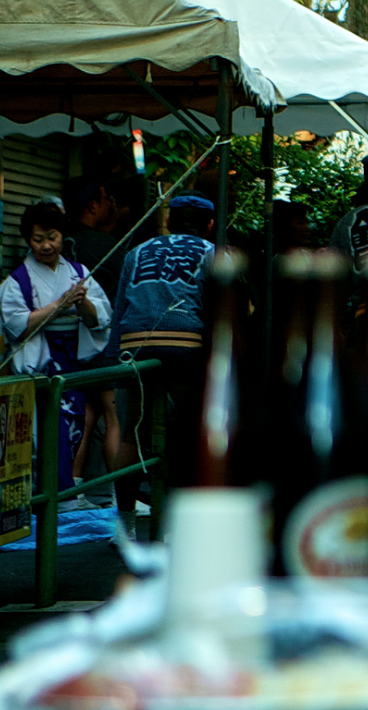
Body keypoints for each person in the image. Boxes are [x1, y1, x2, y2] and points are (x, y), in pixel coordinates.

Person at [107, 193, 217, 538]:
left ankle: (123, 526)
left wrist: (114, 360)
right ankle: (174, 525)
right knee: (186, 432)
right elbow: (215, 312)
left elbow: (119, 307)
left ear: (169, 221)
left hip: (134, 345)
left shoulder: (137, 252)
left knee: (130, 435)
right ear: (209, 225)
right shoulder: (212, 253)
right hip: (186, 343)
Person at [1, 203, 112, 507]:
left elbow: (99, 318)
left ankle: (63, 494)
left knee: (73, 424)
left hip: (71, 358)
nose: (46, 245)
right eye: (38, 239)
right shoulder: (18, 280)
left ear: (63, 236)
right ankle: (49, 498)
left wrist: (83, 304)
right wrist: (58, 307)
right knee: (43, 434)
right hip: (39, 361)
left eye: (52, 237)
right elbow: (17, 326)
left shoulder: (78, 272)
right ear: (28, 240)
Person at [65, 183, 122, 300]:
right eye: (107, 199)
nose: (110, 204)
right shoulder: (106, 244)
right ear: (93, 206)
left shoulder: (58, 239)